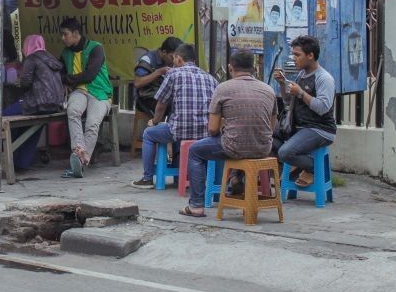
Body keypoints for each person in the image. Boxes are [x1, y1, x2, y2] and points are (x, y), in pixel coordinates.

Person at [180, 50, 278, 217]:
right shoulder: (268, 90)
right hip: (263, 148)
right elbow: (271, 125)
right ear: (254, 68)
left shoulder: (223, 88)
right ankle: (236, 178)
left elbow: (212, 129)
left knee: (196, 151)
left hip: (234, 146)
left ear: (230, 68)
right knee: (241, 142)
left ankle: (196, 205)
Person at [131, 43, 218, 189]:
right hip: (204, 133)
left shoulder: (173, 74)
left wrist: (154, 121)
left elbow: (161, 105)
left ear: (178, 59)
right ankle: (183, 176)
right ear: (194, 60)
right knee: (177, 129)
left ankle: (147, 178)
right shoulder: (211, 79)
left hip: (178, 130)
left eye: (174, 58)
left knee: (149, 134)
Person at [273, 35, 335, 188]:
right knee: (268, 141)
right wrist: (282, 83)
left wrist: (301, 93)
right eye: (293, 54)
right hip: (299, 127)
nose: (294, 58)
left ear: (310, 55)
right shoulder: (302, 74)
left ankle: (314, 168)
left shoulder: (324, 78)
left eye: (297, 55)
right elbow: (289, 101)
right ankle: (289, 168)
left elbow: (322, 108)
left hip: (319, 129)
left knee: (285, 152)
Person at [1, 34, 65, 171]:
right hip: (56, 105)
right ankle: (20, 163)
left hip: (39, 102)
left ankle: (6, 157)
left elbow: (25, 82)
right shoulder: (51, 58)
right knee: (32, 127)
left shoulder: (32, 58)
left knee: (4, 116)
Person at [58, 18, 112, 178]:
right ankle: (79, 151)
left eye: (65, 34)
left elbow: (90, 75)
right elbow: (58, 72)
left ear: (76, 34)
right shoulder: (65, 53)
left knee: (92, 124)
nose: (62, 38)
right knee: (73, 111)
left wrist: (68, 79)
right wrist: (66, 79)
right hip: (80, 91)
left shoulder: (96, 48)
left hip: (100, 93)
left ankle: (80, 161)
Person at [133, 37, 181, 116]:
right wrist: (158, 72)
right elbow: (137, 83)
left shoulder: (172, 62)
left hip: (162, 95)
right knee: (170, 105)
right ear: (164, 52)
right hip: (145, 98)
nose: (174, 61)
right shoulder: (147, 59)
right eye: (172, 57)